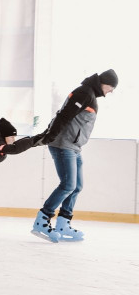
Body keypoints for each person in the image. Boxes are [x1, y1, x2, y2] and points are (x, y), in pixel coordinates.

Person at [32, 69, 117, 242]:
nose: (111, 91)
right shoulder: (84, 93)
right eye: (111, 87)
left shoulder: (90, 93)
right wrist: (50, 136)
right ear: (104, 83)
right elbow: (63, 116)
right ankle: (42, 220)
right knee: (68, 185)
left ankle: (63, 223)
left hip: (74, 147)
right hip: (63, 145)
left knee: (76, 186)